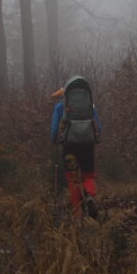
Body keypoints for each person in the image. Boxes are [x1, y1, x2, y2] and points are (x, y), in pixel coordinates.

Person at [50, 77, 101, 219]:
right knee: (88, 174)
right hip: (87, 143)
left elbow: (54, 129)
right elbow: (99, 127)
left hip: (69, 145)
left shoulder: (60, 107)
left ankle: (78, 213)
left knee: (72, 178)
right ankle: (90, 195)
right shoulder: (90, 106)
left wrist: (55, 139)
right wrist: (94, 136)